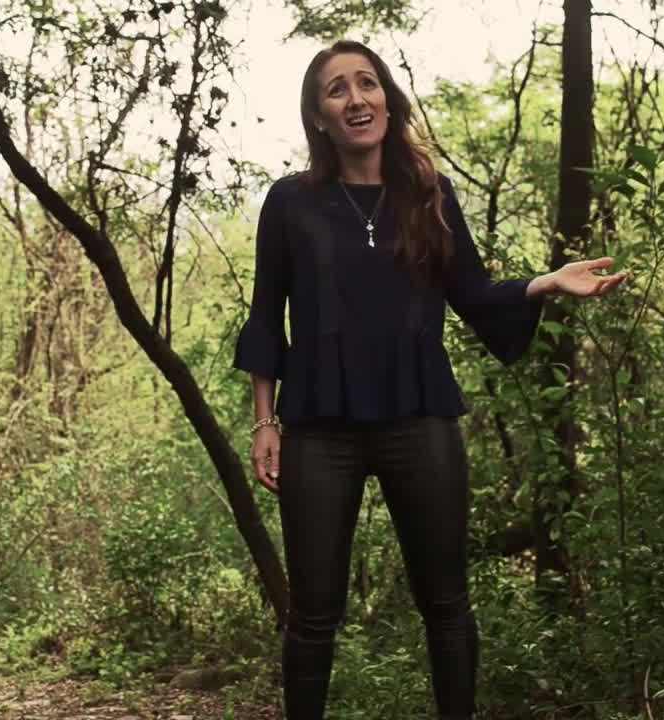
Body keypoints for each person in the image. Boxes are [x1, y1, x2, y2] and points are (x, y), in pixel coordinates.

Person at [233, 39, 627, 720]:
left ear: (388, 100)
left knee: (446, 604)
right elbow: (268, 314)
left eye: (367, 83)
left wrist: (546, 283)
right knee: (314, 613)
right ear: (319, 116)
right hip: (319, 429)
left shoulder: (429, 194)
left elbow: (473, 295)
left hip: (419, 419)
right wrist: (264, 421)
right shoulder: (291, 202)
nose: (356, 99)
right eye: (336, 89)